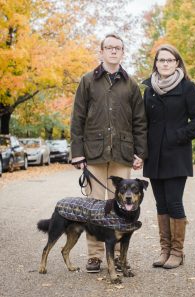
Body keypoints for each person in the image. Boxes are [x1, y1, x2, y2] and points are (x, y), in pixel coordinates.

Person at [70, 33, 147, 273]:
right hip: (93, 153)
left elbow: (140, 121)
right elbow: (77, 118)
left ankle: (117, 256)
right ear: (101, 52)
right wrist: (77, 152)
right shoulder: (87, 80)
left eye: (118, 48)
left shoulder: (132, 84)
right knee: (94, 207)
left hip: (123, 153)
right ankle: (94, 256)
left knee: (122, 206)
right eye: (109, 47)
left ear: (123, 53)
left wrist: (140, 152)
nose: (114, 51)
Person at [142, 44, 195, 269]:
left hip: (176, 154)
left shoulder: (188, 87)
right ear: (156, 63)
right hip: (154, 156)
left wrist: (178, 136)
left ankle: (177, 252)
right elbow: (143, 122)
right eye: (161, 60)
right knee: (161, 204)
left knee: (174, 202)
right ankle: (165, 250)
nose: (165, 64)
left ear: (177, 63)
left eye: (170, 60)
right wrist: (141, 149)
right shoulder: (149, 89)